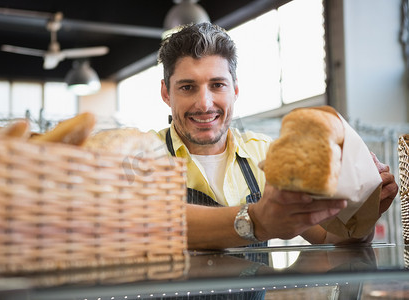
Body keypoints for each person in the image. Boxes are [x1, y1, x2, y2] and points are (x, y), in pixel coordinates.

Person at [155, 22, 399, 250]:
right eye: (187, 87)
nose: (205, 104)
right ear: (166, 93)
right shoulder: (142, 153)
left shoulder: (265, 154)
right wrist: (257, 221)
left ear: (236, 89)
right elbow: (150, 224)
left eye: (217, 85)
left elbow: (327, 239)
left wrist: (364, 212)